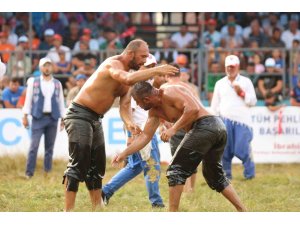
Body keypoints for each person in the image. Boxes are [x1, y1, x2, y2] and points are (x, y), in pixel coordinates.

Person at [62, 39, 178, 211]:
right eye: (142, 56)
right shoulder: (113, 64)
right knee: (79, 164)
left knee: (97, 167)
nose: (144, 61)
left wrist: (130, 123)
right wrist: (158, 69)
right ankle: (68, 212)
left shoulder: (129, 80)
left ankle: (97, 209)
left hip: (95, 118)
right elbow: (129, 78)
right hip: (79, 114)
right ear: (130, 54)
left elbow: (124, 107)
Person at [112, 81, 247, 212]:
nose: (138, 106)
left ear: (146, 99)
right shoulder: (154, 112)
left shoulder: (169, 90)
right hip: (215, 129)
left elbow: (193, 108)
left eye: (138, 102)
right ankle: (243, 211)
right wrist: (124, 153)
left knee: (175, 170)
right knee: (214, 176)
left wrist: (173, 129)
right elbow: (145, 137)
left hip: (207, 125)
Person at [101, 54, 165, 208]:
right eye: (148, 66)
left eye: (153, 66)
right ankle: (156, 203)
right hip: (141, 131)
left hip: (142, 129)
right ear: (140, 66)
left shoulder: (144, 83)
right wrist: (131, 135)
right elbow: (128, 110)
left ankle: (105, 191)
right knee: (152, 165)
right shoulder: (137, 86)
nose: (151, 69)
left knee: (135, 166)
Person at [211, 55, 257, 180]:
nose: (230, 69)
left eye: (233, 67)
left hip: (242, 121)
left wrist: (241, 93)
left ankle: (250, 174)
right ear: (225, 68)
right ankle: (226, 176)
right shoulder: (220, 83)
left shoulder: (246, 81)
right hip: (224, 119)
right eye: (228, 67)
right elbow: (215, 104)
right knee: (225, 150)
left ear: (238, 67)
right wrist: (214, 120)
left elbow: (253, 101)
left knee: (241, 148)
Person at [22, 57, 65, 179]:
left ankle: (47, 171)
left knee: (49, 147)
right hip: (38, 118)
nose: (47, 68)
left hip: (53, 118)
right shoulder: (33, 82)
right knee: (33, 146)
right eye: (44, 65)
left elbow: (61, 101)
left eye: (49, 65)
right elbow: (28, 99)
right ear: (40, 68)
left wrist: (63, 118)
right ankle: (29, 173)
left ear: (52, 67)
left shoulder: (57, 84)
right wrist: (25, 116)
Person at [161, 63, 200, 193]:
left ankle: (187, 191)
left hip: (175, 126)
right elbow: (197, 107)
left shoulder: (164, 87)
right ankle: (191, 189)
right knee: (192, 158)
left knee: (179, 160)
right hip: (192, 126)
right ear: (179, 74)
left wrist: (164, 124)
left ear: (167, 75)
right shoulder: (190, 88)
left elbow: (161, 109)